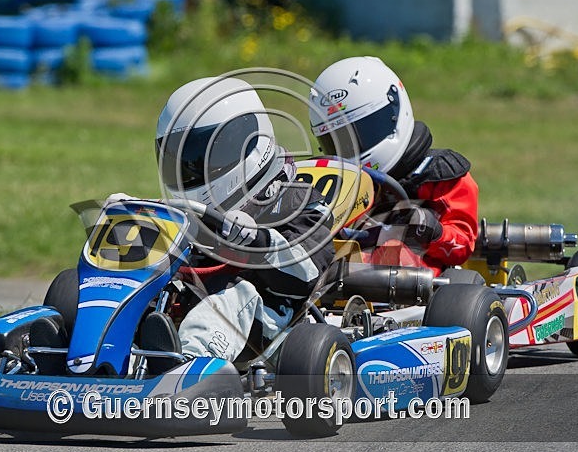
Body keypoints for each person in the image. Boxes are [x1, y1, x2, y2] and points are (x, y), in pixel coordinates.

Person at [151, 75, 335, 362]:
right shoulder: (188, 214)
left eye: (203, 157)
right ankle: (92, 355)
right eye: (182, 158)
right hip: (189, 301)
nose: (192, 168)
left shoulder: (297, 201)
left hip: (267, 318)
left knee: (233, 296)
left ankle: (188, 366)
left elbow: (307, 272)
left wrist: (259, 241)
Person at [308, 56, 479, 276]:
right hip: (341, 274)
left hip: (417, 286)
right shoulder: (337, 182)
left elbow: (462, 245)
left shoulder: (439, 175)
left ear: (394, 110)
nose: (351, 148)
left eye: (363, 132)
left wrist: (432, 230)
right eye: (337, 140)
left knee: (393, 251)